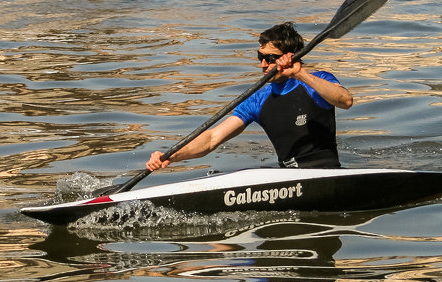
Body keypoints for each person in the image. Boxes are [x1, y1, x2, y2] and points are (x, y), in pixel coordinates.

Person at [146, 22, 353, 172]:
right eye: (260, 57)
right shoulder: (257, 99)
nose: (263, 65)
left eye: (269, 59)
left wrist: (300, 74)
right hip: (287, 178)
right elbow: (211, 139)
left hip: (328, 172)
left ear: (291, 56)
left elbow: (345, 101)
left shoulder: (315, 82)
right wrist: (170, 156)